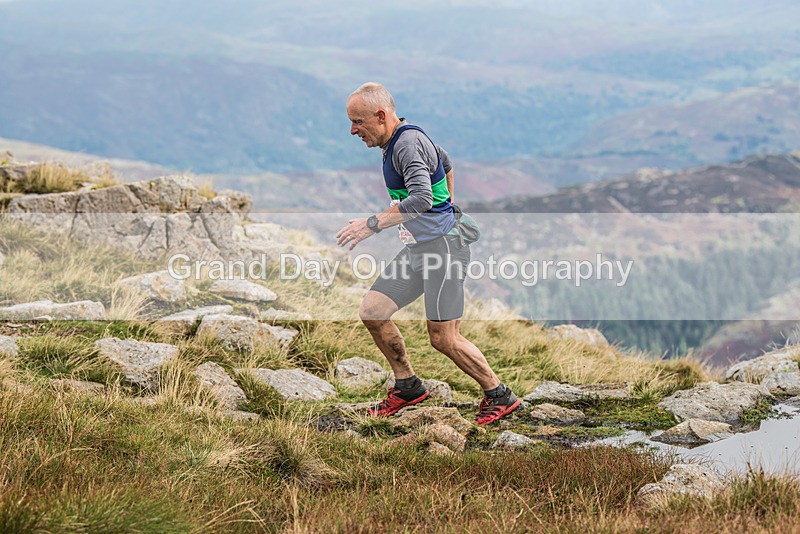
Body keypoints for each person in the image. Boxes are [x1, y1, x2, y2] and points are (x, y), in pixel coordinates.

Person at [335, 82, 520, 425]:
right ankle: (408, 387)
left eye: (358, 122)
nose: (352, 130)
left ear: (381, 115)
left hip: (444, 251)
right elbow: (445, 161)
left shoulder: (406, 144)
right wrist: (447, 205)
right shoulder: (399, 140)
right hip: (420, 249)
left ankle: (500, 395)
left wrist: (372, 225)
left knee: (443, 338)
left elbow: (422, 198)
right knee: (373, 312)